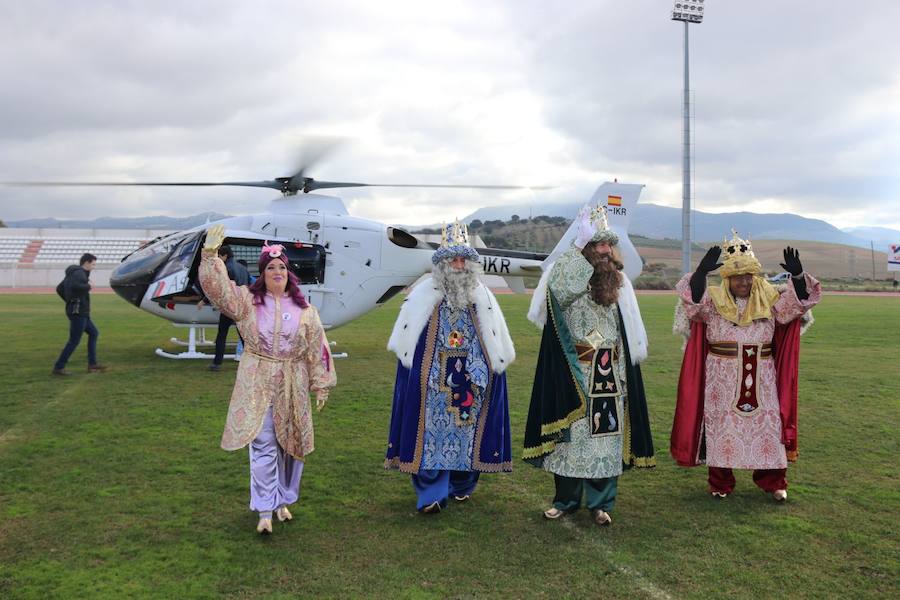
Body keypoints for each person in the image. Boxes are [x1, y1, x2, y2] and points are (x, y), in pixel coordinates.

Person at [199, 225, 336, 534]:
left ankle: (281, 500)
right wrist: (209, 256)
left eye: (282, 266)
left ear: (289, 272)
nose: (277, 271)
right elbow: (218, 289)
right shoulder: (246, 302)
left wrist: (320, 383)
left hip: (293, 383)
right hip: (258, 381)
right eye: (271, 267)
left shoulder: (305, 310)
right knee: (263, 444)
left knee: (290, 446)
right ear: (262, 273)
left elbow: (318, 347)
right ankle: (264, 509)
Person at [524, 206, 655, 527]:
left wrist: (625, 372)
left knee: (606, 439)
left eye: (608, 245)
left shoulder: (621, 280)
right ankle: (565, 501)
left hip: (610, 371)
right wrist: (576, 253)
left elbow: (629, 328)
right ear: (584, 247)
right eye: (597, 244)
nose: (605, 250)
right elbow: (559, 292)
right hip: (573, 368)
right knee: (572, 438)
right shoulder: (567, 271)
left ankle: (601, 503)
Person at [670, 231, 821, 502]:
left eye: (749, 275)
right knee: (720, 427)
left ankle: (773, 481)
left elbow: (798, 305)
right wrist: (701, 272)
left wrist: (798, 278)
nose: (744, 281)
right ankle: (720, 482)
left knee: (769, 426)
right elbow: (692, 305)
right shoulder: (713, 301)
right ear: (727, 277)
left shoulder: (770, 299)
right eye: (738, 276)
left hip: (762, 373)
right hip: (721, 375)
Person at [385, 221, 515, 513]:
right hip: (433, 381)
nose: (458, 265)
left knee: (468, 435)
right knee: (431, 435)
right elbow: (411, 342)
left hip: (472, 378)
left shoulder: (483, 296)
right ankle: (432, 493)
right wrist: (422, 373)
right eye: (452, 260)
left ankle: (461, 486)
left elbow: (494, 338)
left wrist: (485, 370)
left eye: (463, 260)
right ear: (441, 264)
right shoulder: (422, 295)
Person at [53, 253, 107, 376]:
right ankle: (59, 367)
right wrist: (89, 286)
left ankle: (92, 364)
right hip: (78, 312)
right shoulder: (79, 273)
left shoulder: (74, 273)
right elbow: (75, 286)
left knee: (94, 333)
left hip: (80, 311)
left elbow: (59, 289)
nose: (94, 267)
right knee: (74, 341)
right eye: (93, 264)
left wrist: (70, 301)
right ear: (86, 263)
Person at [201, 245, 250, 371]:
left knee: (222, 334)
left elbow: (222, 288)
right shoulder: (242, 268)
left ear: (224, 256)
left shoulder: (225, 269)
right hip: (243, 305)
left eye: (219, 256)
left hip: (230, 306)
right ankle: (250, 362)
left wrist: (205, 300)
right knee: (244, 336)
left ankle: (217, 363)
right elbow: (249, 284)